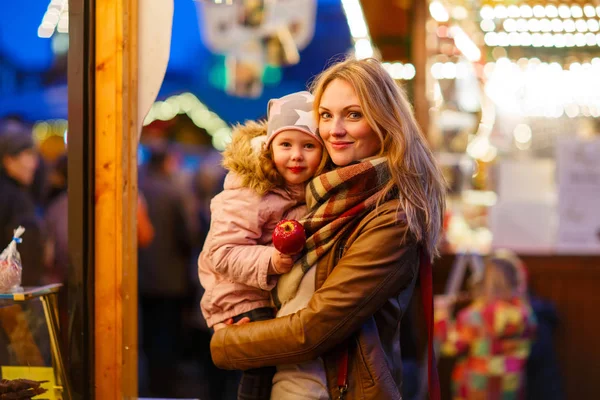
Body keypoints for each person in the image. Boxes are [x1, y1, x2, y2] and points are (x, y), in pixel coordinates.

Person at [209, 57, 447, 400]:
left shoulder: (392, 215)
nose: (334, 129)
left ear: (385, 120)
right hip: (294, 383)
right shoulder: (326, 196)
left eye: (353, 114)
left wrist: (224, 342)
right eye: (325, 115)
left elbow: (316, 328)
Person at [198, 90, 327, 400]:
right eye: (286, 144)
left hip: (262, 295)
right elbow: (220, 252)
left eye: (308, 146)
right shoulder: (252, 190)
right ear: (269, 148)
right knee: (260, 374)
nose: (296, 155)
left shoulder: (296, 190)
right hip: (240, 299)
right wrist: (272, 260)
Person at [434, 250, 537, 400]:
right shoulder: (526, 315)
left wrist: (441, 315)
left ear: (485, 281)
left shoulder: (474, 316)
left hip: (475, 390)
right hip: (510, 390)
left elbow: (451, 346)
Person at [0, 130, 44, 287]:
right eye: (29, 156)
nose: (35, 164)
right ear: (9, 160)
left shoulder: (19, 193)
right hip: (13, 296)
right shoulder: (11, 197)